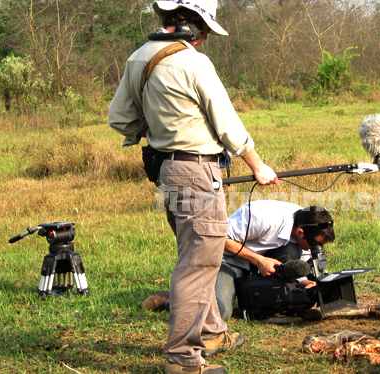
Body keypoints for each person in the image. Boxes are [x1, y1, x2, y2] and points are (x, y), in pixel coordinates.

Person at [108, 1, 278, 373]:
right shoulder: (194, 61)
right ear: (197, 26)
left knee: (201, 255)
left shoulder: (138, 57)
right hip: (197, 173)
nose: (204, 40)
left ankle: (213, 333)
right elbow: (227, 123)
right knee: (197, 264)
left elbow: (119, 118)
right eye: (204, 33)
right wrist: (258, 165)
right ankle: (184, 360)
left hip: (166, 172)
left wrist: (159, 131)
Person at [142, 201, 336, 321]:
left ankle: (270, 303)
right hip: (228, 259)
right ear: (300, 232)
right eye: (312, 245)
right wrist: (259, 260)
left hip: (264, 263)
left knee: (294, 248)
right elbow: (219, 239)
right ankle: (172, 299)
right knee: (220, 311)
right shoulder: (264, 216)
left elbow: (298, 265)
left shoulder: (305, 225)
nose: (312, 249)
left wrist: (308, 283)